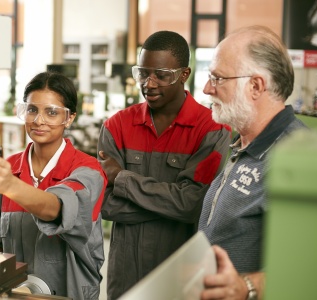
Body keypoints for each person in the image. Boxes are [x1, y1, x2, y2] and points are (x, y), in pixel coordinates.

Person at [97, 30, 232, 299]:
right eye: (143, 73)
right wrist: (173, 204)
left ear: (184, 74)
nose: (149, 83)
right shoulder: (117, 126)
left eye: (161, 75)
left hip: (181, 272)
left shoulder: (212, 130)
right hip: (126, 274)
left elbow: (194, 205)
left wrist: (121, 177)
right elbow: (105, 204)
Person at [198, 25, 308, 300]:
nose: (207, 88)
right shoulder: (242, 143)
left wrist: (247, 287)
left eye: (218, 78)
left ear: (256, 86)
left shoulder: (296, 159)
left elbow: (309, 267)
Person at [0, 71, 108, 300]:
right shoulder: (10, 167)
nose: (39, 120)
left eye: (51, 112)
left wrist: (11, 185)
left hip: (70, 293)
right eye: (32, 110)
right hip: (14, 292)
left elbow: (57, 209)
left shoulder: (88, 171)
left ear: (69, 118)